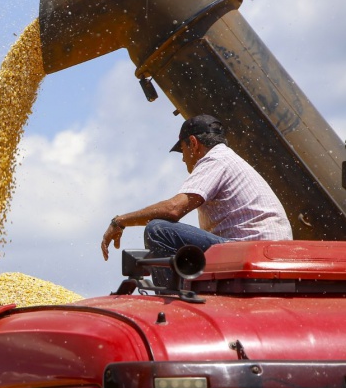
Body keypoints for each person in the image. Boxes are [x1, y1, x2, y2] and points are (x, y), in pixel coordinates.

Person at [100, 114, 292, 285]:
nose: (183, 159)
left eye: (182, 150)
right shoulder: (229, 160)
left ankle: (172, 307)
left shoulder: (215, 160)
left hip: (250, 252)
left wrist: (120, 221)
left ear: (193, 143)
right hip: (269, 252)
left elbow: (174, 209)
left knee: (158, 230)